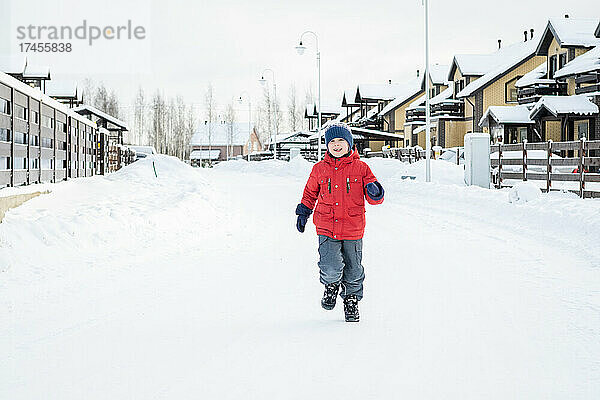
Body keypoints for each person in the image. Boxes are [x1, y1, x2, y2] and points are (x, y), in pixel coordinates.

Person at [295, 123, 384, 322]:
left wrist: (375, 191)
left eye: (341, 141)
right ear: (327, 145)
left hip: (353, 227)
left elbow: (374, 196)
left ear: (349, 143)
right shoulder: (319, 169)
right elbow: (310, 193)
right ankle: (331, 285)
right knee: (330, 265)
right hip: (326, 226)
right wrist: (304, 213)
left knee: (354, 268)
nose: (336, 145)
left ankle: (351, 299)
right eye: (332, 141)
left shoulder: (361, 168)